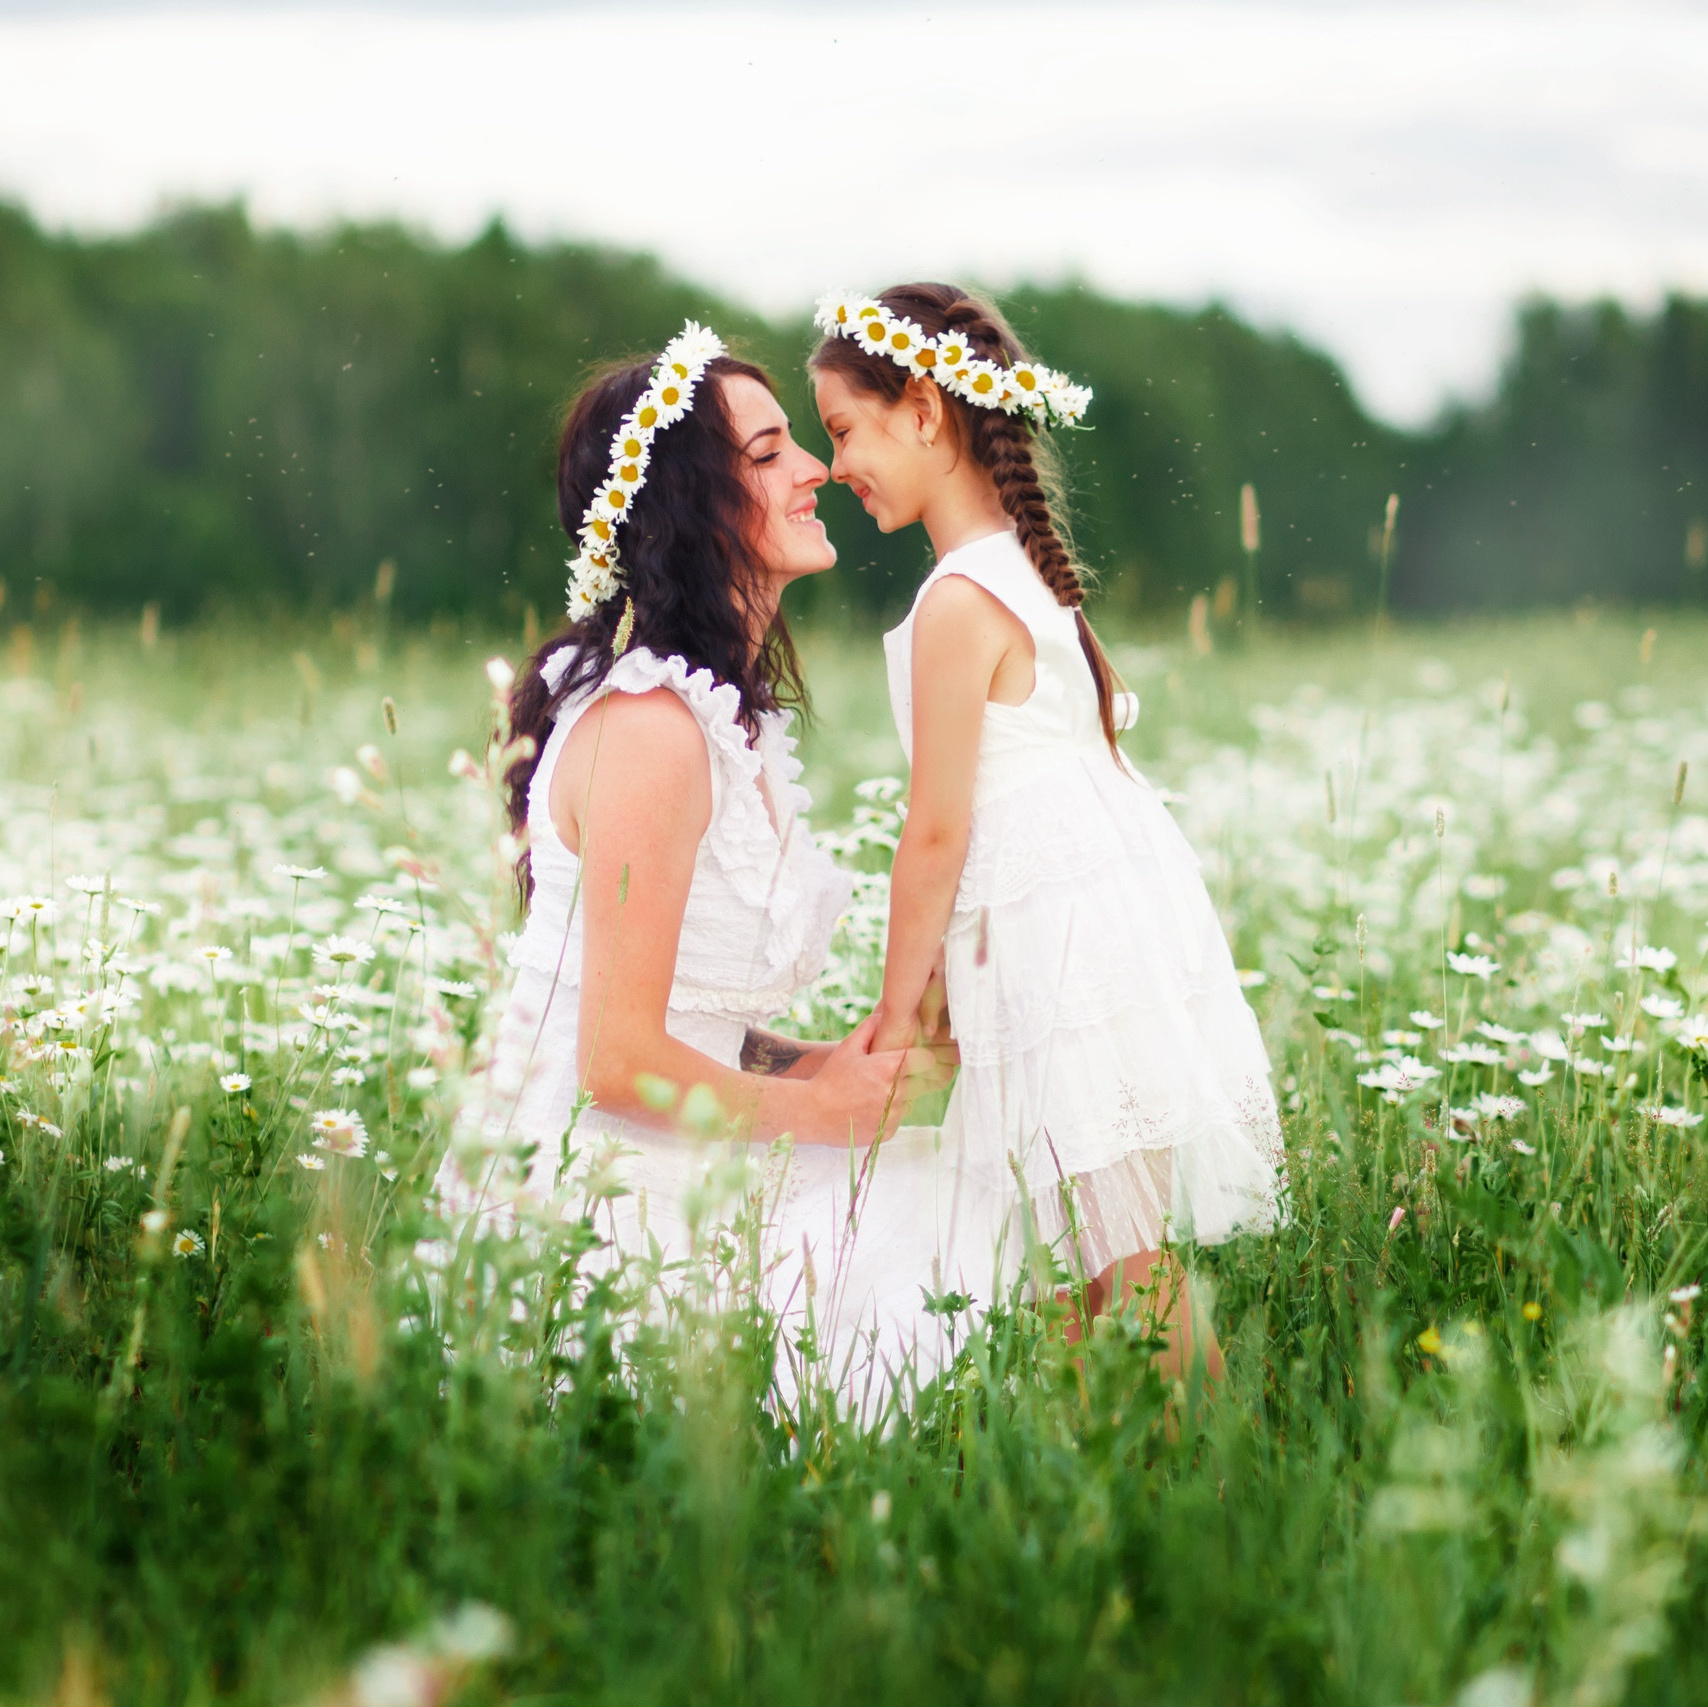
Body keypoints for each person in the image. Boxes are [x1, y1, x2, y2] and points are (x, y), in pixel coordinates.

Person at [436, 323, 952, 1398]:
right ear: (687, 508)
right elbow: (616, 1060)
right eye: (768, 456)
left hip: (690, 1148)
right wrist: (825, 1115)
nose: (815, 467)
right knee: (964, 1250)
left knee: (980, 1214)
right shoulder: (652, 735)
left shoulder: (720, 719)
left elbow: (686, 1011)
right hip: (598, 1195)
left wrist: (828, 1060)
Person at [810, 285, 1285, 1374]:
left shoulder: (956, 602)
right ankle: (1132, 1479)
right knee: (1099, 1268)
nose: (837, 466)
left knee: (1124, 1267)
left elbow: (934, 831)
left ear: (923, 409)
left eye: (844, 431)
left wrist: (894, 1013)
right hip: (1097, 921)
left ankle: (1205, 1479)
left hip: (1056, 947)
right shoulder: (1023, 576)